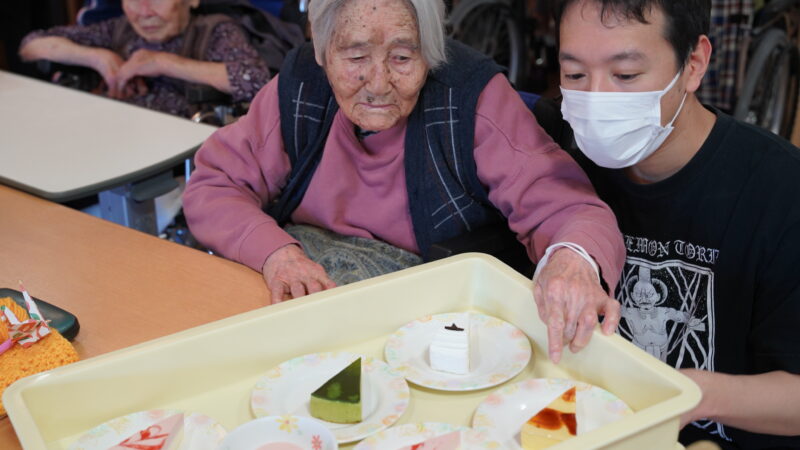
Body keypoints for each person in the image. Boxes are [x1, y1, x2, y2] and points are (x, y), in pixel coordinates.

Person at [183, 0, 626, 359]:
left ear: (429, 53)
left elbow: (573, 211)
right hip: (301, 317)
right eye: (355, 55)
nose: (378, 83)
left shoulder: (470, 97)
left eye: (402, 57)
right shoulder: (300, 85)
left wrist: (572, 262)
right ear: (322, 50)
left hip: (425, 335)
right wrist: (277, 255)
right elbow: (213, 185)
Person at [550, 0, 800, 447]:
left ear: (694, 64)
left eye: (625, 76)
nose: (597, 99)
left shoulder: (781, 193)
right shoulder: (564, 180)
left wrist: (693, 395)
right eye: (574, 76)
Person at [18, 0, 271, 118]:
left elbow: (257, 80)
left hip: (178, 164)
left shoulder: (215, 31)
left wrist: (164, 63)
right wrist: (98, 58)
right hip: (109, 138)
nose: (145, 12)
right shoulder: (118, 30)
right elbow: (31, 46)